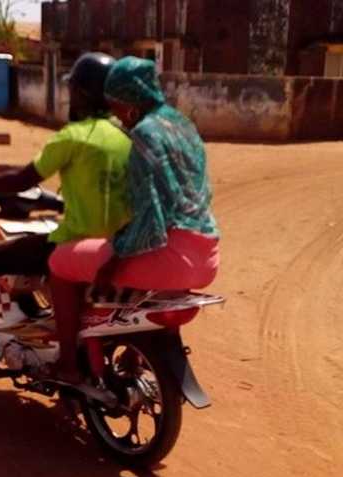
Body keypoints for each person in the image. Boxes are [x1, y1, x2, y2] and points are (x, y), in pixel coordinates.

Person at [0, 52, 132, 384]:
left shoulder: (75, 136)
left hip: (75, 243)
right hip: (118, 245)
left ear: (81, 94)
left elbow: (22, 179)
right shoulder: (127, 136)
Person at [47, 56, 221, 383]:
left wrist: (112, 262)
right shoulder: (182, 125)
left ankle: (68, 365)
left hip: (168, 256)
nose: (117, 117)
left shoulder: (144, 133)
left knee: (59, 262)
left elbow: (150, 219)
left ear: (129, 104)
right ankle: (134, 353)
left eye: (115, 107)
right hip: (206, 255)